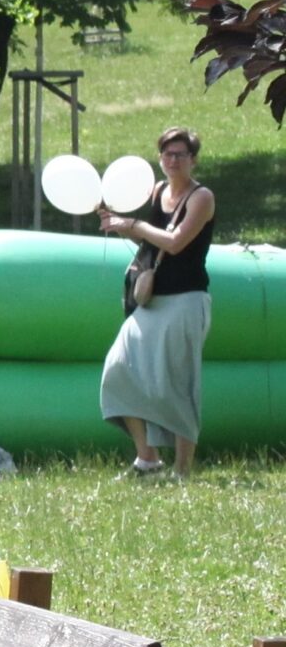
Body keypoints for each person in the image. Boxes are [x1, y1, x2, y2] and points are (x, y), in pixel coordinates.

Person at [100, 125, 216, 479]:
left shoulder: (201, 197)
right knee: (118, 370)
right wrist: (119, 223)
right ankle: (147, 459)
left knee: (178, 384)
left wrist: (133, 225)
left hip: (186, 300)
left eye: (180, 154)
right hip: (151, 301)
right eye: (167, 154)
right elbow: (148, 238)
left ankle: (182, 471)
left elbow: (176, 242)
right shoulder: (157, 191)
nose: (173, 160)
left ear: (193, 160)